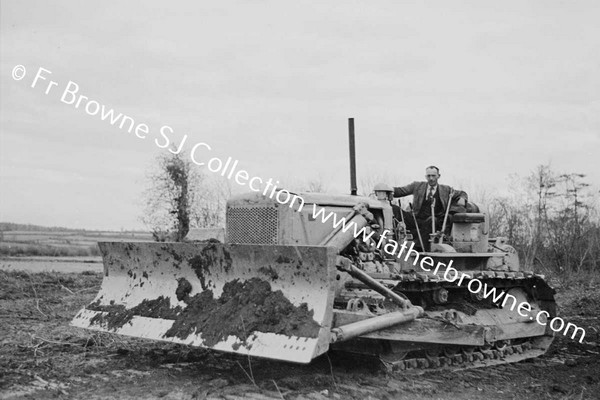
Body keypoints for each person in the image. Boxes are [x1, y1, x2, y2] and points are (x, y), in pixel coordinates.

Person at [393, 166, 468, 251]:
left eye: (433, 176)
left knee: (431, 220)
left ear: (438, 176)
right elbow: (400, 191)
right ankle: (390, 242)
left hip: (434, 222)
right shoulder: (417, 186)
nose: (431, 178)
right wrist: (386, 190)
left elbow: (462, 193)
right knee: (393, 209)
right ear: (425, 177)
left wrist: (462, 199)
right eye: (428, 176)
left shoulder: (446, 189)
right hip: (416, 219)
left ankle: (418, 247)